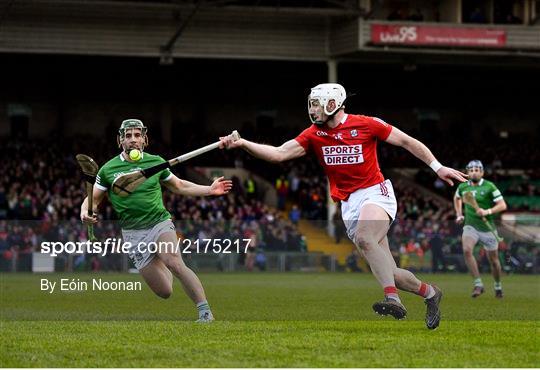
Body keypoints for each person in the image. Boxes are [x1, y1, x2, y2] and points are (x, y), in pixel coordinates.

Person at [219, 83, 467, 330]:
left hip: (375, 193)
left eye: (317, 104)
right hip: (349, 204)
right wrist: (243, 144)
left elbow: (407, 141)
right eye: (312, 104)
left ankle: (392, 299)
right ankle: (431, 294)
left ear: (332, 104)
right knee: (393, 272)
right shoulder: (313, 134)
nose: (313, 110)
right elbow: (278, 154)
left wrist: (438, 167)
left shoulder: (367, 124)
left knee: (364, 237)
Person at [80, 119, 232, 322]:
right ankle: (160, 259)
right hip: (133, 234)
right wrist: (85, 212)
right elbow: (92, 200)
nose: (133, 140)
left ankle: (205, 312)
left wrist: (209, 189)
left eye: (137, 135)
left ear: (144, 139)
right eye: (128, 136)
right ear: (120, 141)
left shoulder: (156, 162)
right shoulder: (108, 170)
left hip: (159, 223)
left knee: (175, 263)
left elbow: (179, 185)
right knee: (165, 291)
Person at [453, 160, 507, 298]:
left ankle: (498, 285)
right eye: (471, 170)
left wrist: (487, 211)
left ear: (482, 172)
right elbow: (457, 198)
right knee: (466, 250)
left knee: (494, 261)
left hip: (488, 228)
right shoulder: (463, 187)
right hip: (471, 226)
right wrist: (459, 214)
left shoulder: (490, 186)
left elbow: (502, 205)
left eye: (477, 170)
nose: (474, 172)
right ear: (467, 172)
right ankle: (478, 284)